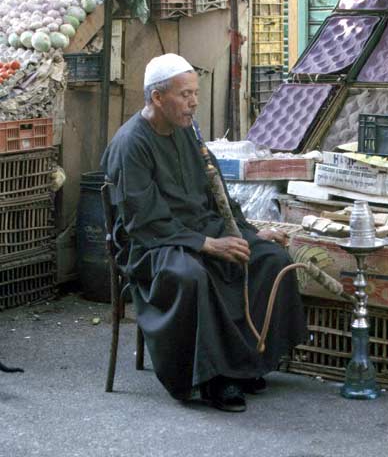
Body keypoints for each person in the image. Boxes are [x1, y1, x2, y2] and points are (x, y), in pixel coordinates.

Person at [101, 53, 307, 412]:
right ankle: (212, 379)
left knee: (270, 258)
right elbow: (143, 219)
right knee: (191, 275)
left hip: (202, 230)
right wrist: (207, 244)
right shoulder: (130, 143)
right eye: (185, 95)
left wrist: (249, 233)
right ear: (157, 98)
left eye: (195, 93)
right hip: (153, 244)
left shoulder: (187, 132)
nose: (194, 102)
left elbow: (218, 196)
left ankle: (246, 364)